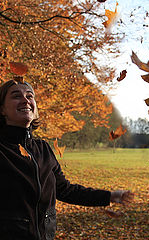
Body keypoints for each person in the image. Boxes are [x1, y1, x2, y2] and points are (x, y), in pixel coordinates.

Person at [0, 79, 134, 240]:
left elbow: (65, 190)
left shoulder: (43, 149)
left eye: (30, 96)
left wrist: (109, 196)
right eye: (16, 96)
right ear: (2, 109)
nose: (25, 100)